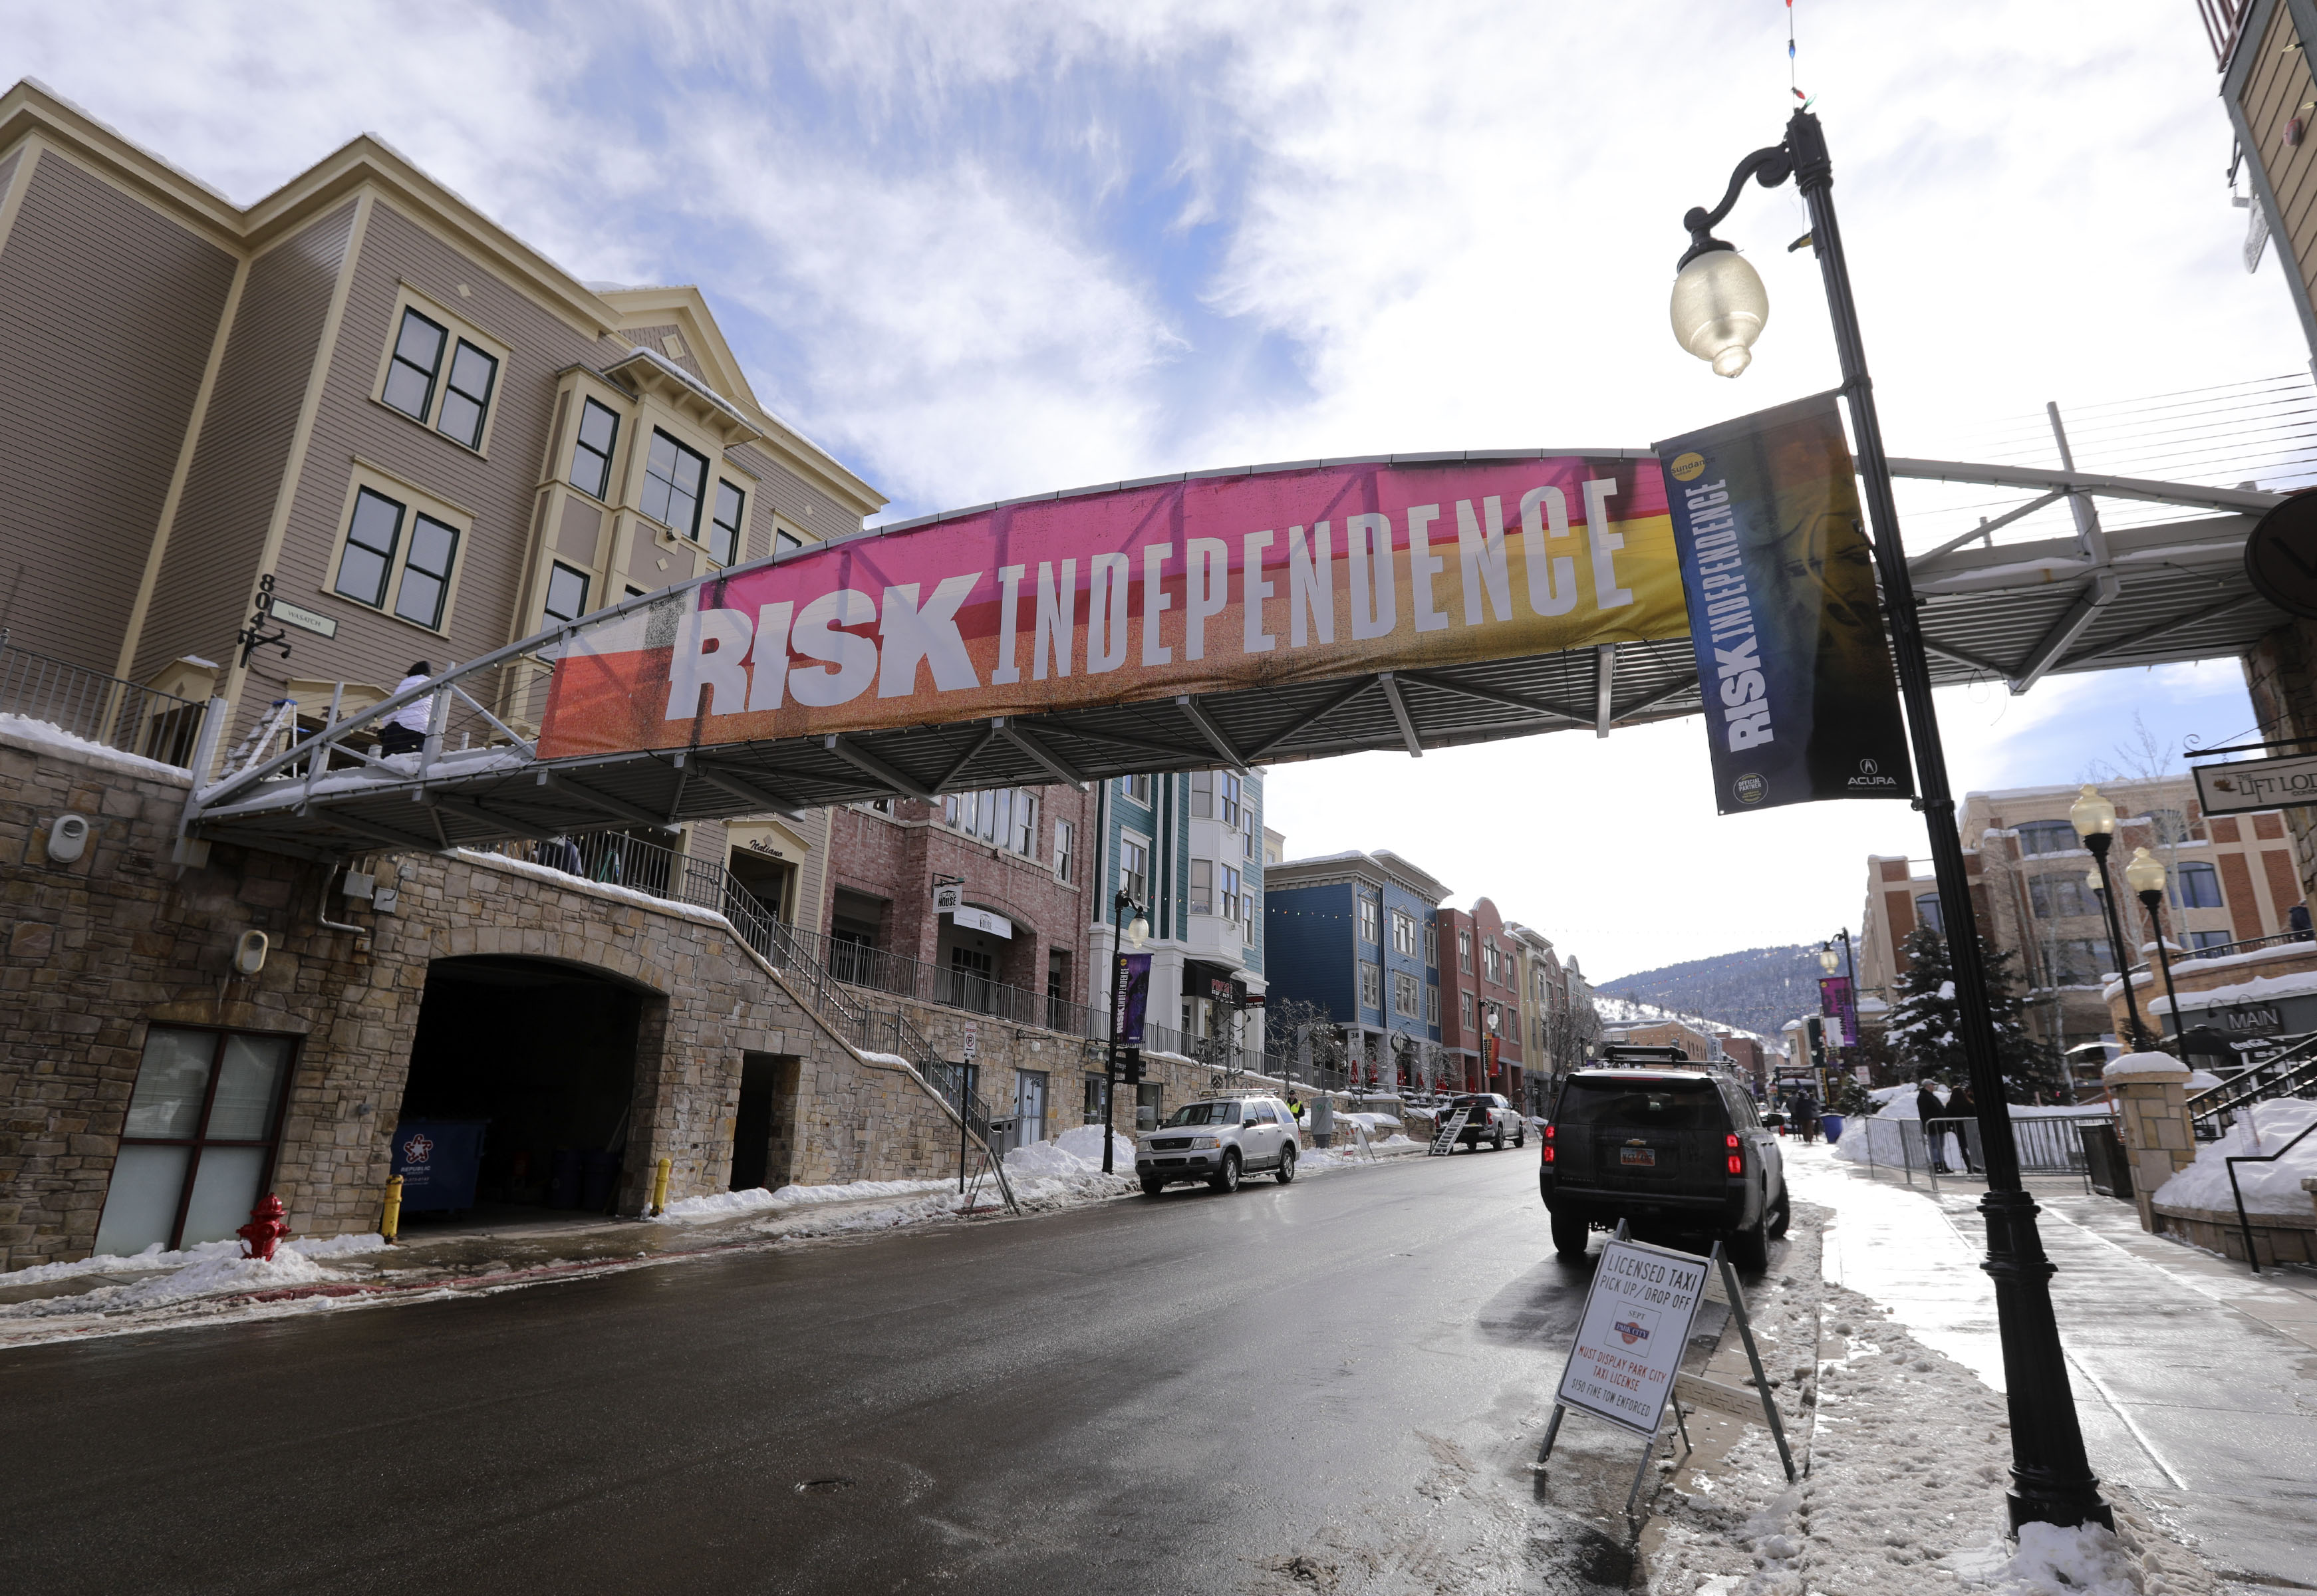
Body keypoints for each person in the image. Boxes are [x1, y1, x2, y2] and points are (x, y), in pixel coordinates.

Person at [378, 662, 437, 757]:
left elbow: (397, 705)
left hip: (404, 725)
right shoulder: (433, 687)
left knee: (388, 758)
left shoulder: (410, 682)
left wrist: (386, 723)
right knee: (414, 760)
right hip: (423, 730)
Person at [1944, 1081, 1978, 1173]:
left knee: (1963, 1148)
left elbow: (1948, 1117)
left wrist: (1949, 1127)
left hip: (1958, 1128)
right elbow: (1974, 1115)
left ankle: (1969, 1167)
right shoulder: (1969, 1103)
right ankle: (1978, 1166)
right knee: (1972, 1147)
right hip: (1970, 1127)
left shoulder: (1950, 1105)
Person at [1915, 1079, 1949, 1172]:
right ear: (1927, 1086)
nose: (1933, 1086)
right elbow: (1925, 1113)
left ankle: (1942, 1164)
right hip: (1933, 1126)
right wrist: (1931, 1123)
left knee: (1940, 1146)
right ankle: (1936, 1165)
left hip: (1939, 1126)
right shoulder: (1923, 1097)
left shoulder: (1931, 1096)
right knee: (1935, 1147)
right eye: (1932, 1085)